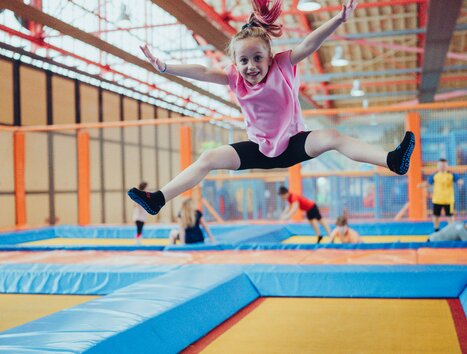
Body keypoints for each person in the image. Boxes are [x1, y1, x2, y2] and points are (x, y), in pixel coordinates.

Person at [128, 0, 415, 217]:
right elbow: (202, 71)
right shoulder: (233, 78)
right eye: (243, 61)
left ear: (269, 57)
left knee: (332, 137)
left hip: (293, 144)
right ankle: (158, 199)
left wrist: (338, 20)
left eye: (257, 58)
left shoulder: (283, 65)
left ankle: (391, 161)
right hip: (259, 150)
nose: (250, 66)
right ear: (235, 62)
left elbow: (309, 43)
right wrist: (166, 67)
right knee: (208, 158)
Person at [418, 158, 464, 231]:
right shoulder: (434, 175)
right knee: (436, 215)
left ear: (447, 166)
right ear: (438, 166)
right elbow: (428, 183)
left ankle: (451, 230)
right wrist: (421, 185)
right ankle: (436, 229)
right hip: (437, 199)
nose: (442, 167)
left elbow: (459, 180)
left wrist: (460, 182)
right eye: (440, 165)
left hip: (448, 200)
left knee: (450, 216)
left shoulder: (451, 174)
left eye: (444, 165)